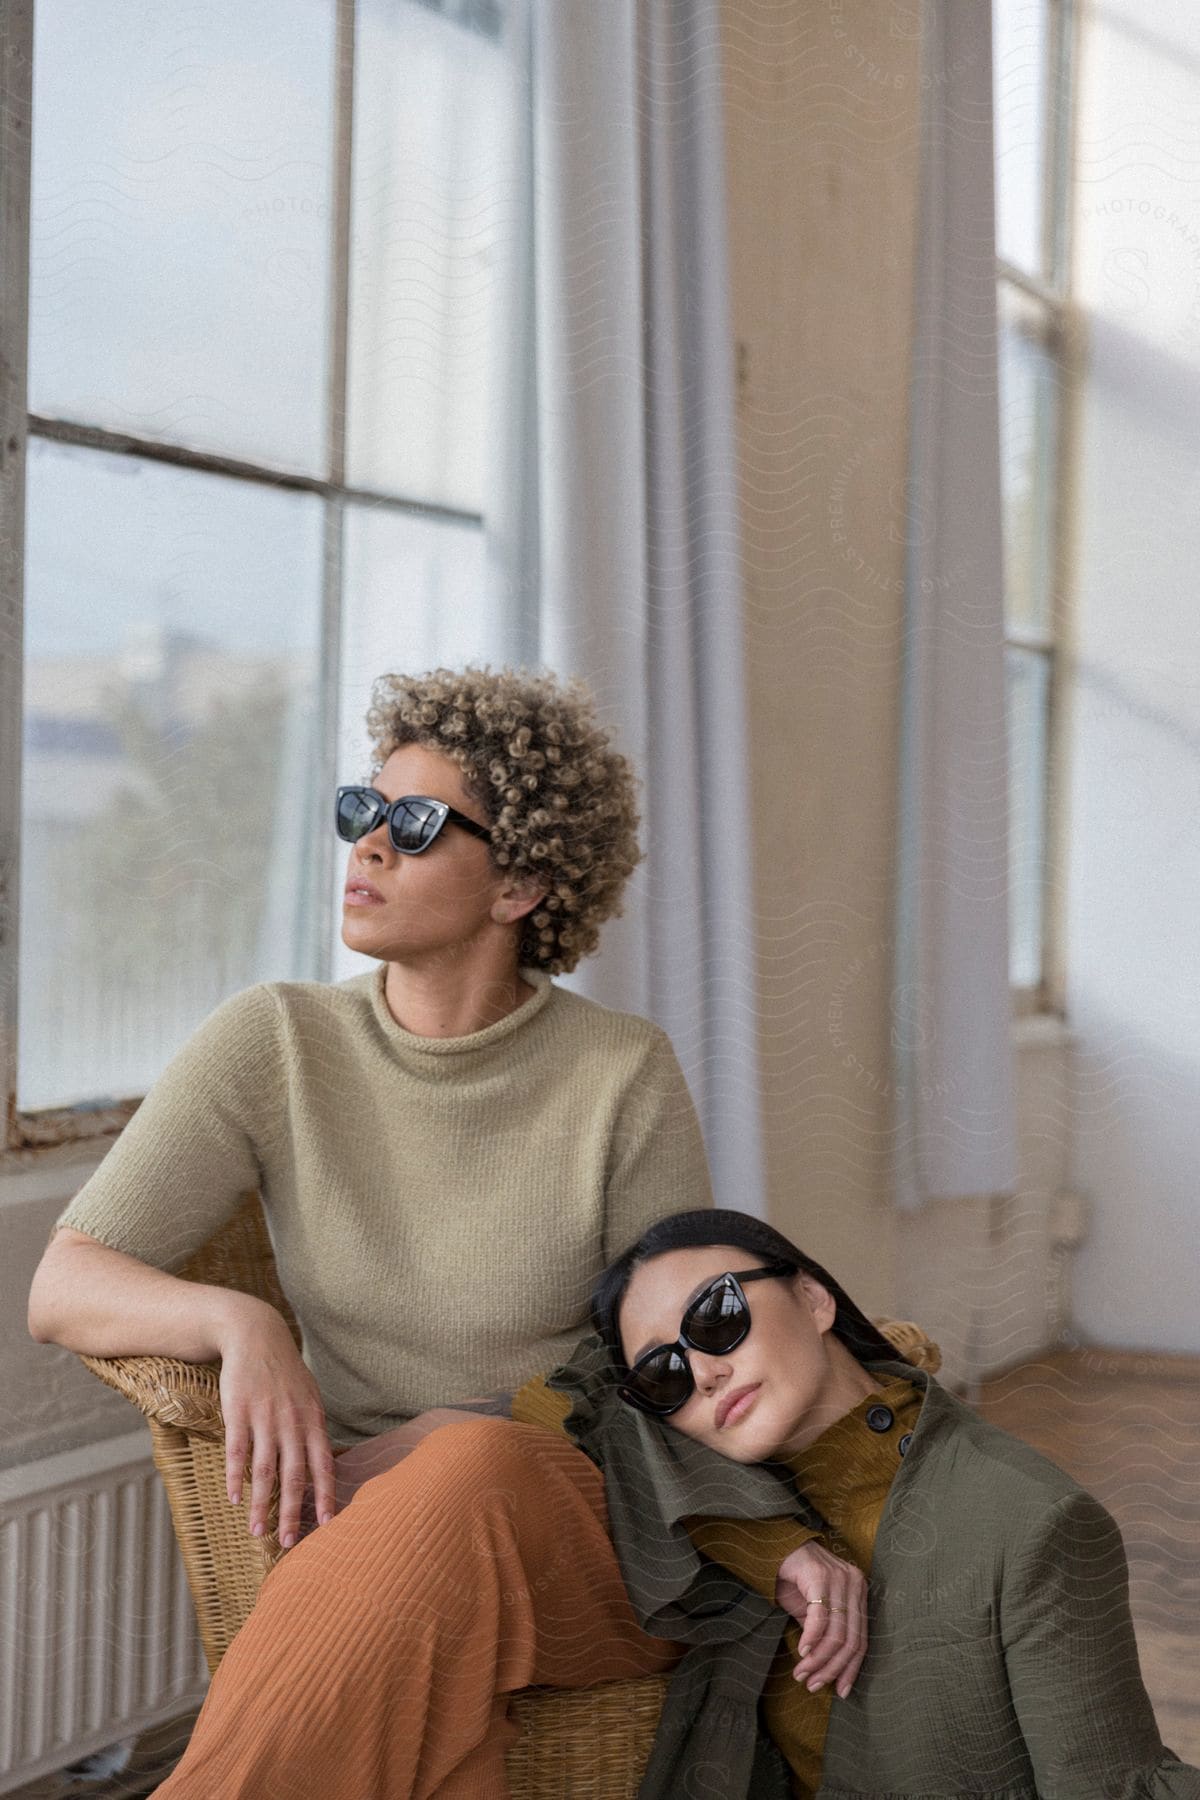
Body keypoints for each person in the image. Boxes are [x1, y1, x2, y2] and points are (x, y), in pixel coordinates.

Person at [28, 666, 868, 1798]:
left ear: (520, 881)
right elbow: (64, 1284)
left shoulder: (621, 1074)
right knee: (422, 1700)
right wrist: (240, 1323)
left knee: (465, 1470)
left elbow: (675, 1369)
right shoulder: (275, 1041)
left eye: (414, 825)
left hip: (594, 1526)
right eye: (360, 811)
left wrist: (451, 1436)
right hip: (364, 1518)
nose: (367, 846)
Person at [515, 1206, 1200, 1799]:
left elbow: (1108, 1787)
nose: (703, 1372)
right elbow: (563, 1396)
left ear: (814, 1298)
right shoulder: (732, 1496)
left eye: (718, 1317)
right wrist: (772, 1549)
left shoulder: (1026, 1522)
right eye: (664, 1376)